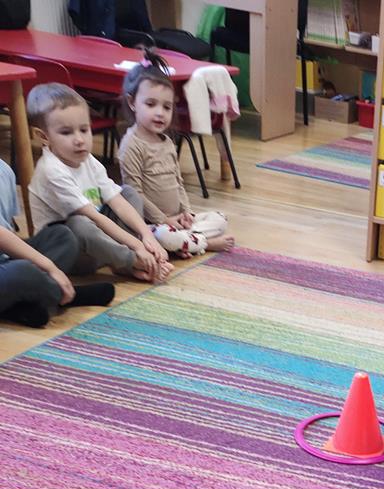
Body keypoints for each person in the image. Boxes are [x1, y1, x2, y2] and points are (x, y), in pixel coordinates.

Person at [26, 82, 171, 283]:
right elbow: (92, 218)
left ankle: (122, 262)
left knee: (128, 193)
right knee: (79, 223)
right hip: (74, 255)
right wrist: (136, 248)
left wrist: (147, 236)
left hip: (102, 244)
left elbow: (117, 201)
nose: (79, 139)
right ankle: (132, 262)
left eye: (84, 129)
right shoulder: (51, 170)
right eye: (66, 132)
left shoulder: (87, 159)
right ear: (43, 137)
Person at [118, 50, 234, 258]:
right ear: (132, 102)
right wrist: (164, 220)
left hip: (177, 219)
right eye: (151, 104)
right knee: (164, 236)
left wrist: (187, 212)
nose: (160, 113)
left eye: (167, 107)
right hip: (152, 224)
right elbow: (136, 194)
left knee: (220, 219)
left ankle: (187, 241)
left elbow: (178, 181)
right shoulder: (131, 145)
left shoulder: (167, 142)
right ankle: (204, 243)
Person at [0, 159, 114, 327]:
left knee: (62, 236)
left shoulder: (4, 170)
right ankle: (66, 295)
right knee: (22, 271)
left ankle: (22, 305)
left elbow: (8, 230)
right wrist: (50, 267)